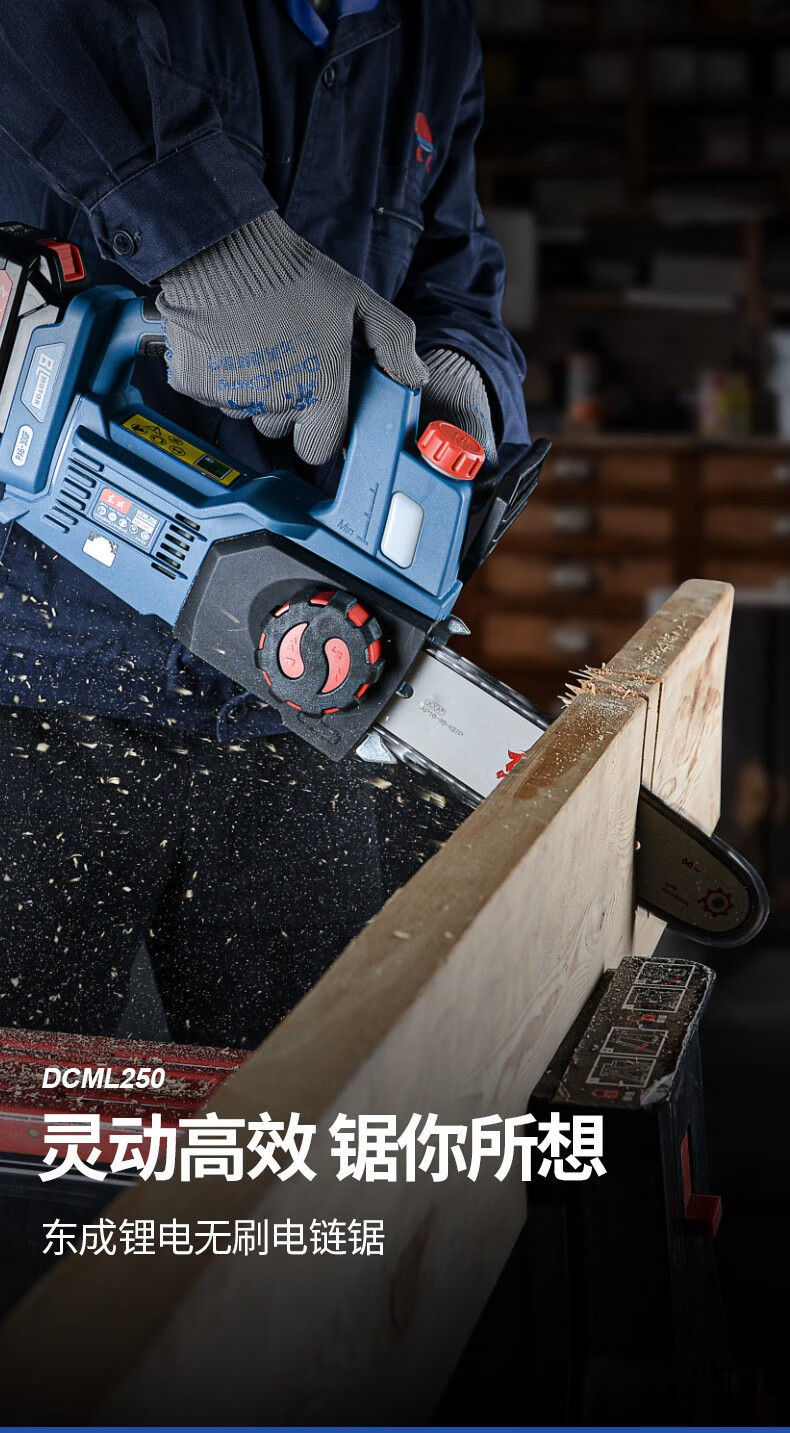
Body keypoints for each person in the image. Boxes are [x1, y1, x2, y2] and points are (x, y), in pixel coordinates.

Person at [0, 0, 528, 1046]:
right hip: (34, 673)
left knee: (308, 1100)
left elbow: (455, 267)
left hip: (292, 705)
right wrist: (209, 243)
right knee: (30, 1111)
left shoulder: (431, 31)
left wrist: (462, 376)